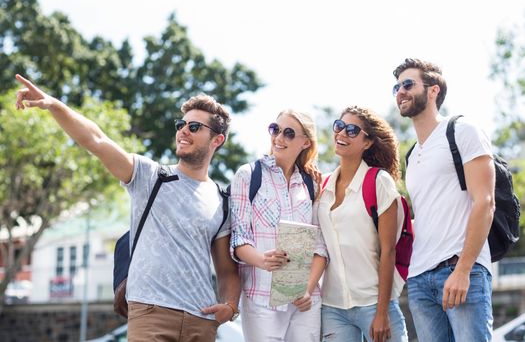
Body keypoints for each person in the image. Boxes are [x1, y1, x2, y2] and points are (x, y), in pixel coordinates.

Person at [15, 74, 241, 342]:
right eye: (181, 124)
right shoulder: (150, 176)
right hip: (151, 314)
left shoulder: (221, 200)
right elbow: (96, 140)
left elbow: (227, 270)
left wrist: (230, 306)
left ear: (217, 140)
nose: (183, 131)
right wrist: (53, 104)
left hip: (201, 322)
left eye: (194, 127)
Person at [392, 58, 495, 341]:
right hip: (420, 280)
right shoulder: (411, 155)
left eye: (408, 84)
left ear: (433, 90)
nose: (400, 91)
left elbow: (485, 202)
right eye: (397, 87)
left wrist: (463, 269)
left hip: (461, 270)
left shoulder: (462, 131)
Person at [229, 110, 328, 341]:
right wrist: (262, 260)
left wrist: (308, 289)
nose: (279, 138)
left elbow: (320, 246)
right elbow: (239, 239)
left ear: (305, 142)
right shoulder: (248, 175)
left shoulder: (310, 184)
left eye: (289, 133)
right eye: (275, 129)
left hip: (304, 300)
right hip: (261, 298)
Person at [317, 106, 408, 342]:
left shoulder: (379, 182)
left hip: (374, 303)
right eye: (339, 126)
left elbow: (388, 251)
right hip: (333, 307)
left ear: (367, 143)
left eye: (352, 130)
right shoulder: (322, 187)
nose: (341, 134)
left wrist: (381, 313)